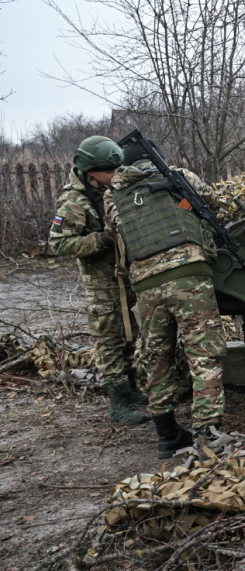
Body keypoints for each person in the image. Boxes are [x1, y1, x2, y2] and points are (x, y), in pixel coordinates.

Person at [103, 139, 226, 459]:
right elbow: (213, 200)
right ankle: (209, 433)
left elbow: (114, 231)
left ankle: (167, 436)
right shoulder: (179, 175)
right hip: (189, 276)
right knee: (203, 353)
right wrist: (182, 205)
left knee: (157, 358)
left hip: (145, 286)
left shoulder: (112, 195)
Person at [48, 136, 148, 425]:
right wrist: (103, 239)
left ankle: (130, 389)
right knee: (109, 341)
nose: (116, 174)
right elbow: (59, 244)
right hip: (102, 285)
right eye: (110, 170)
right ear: (91, 172)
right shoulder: (74, 202)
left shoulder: (110, 188)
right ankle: (117, 403)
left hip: (125, 277)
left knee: (129, 335)